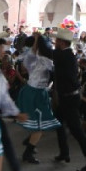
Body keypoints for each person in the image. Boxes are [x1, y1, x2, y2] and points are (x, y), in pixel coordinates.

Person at [52, 28, 86, 171]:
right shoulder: (65, 54)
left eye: (56, 40)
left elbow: (51, 54)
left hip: (70, 98)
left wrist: (38, 40)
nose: (54, 42)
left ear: (61, 42)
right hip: (66, 96)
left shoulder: (66, 55)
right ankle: (64, 152)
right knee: (59, 124)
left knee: (76, 130)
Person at [15, 34, 61, 164]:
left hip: (34, 91)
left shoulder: (31, 57)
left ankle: (30, 141)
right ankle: (28, 152)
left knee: (39, 122)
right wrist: (37, 39)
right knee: (40, 125)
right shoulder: (37, 58)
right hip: (35, 92)